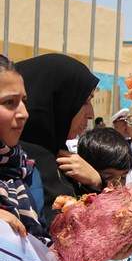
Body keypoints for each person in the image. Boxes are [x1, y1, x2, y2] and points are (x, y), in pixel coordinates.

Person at [16, 53, 101, 225]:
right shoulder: (15, 165)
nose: (91, 114)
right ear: (59, 101)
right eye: (84, 102)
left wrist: (97, 182)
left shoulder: (61, 158)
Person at [0, 54, 48, 241]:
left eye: (24, 102)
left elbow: (39, 245)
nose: (24, 113)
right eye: (9, 102)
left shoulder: (25, 170)